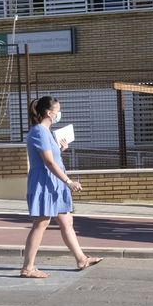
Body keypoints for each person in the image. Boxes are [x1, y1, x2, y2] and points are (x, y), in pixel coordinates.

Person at [21, 95, 101, 275]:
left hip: (54, 182)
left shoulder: (46, 132)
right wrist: (69, 181)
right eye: (58, 111)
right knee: (41, 223)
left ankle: (81, 259)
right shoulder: (39, 131)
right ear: (49, 113)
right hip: (45, 183)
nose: (59, 114)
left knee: (66, 221)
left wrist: (60, 149)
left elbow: (52, 157)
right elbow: (48, 162)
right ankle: (27, 267)